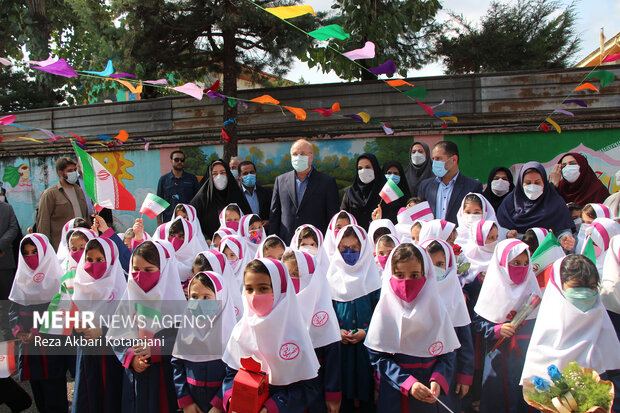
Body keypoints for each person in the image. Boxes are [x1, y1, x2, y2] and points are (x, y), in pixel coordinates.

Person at [364, 243, 459, 413]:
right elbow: (378, 357)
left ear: (426, 275)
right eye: (400, 275)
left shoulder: (437, 310)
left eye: (415, 275)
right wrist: (408, 383)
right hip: (397, 395)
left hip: (430, 394)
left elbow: (448, 353)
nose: (407, 282)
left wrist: (438, 379)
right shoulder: (385, 312)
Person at [521, 255, 620, 411]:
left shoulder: (605, 331)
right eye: (577, 286)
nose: (586, 293)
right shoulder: (544, 342)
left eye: (592, 286)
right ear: (559, 288)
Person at [221, 258, 321, 412]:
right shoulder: (240, 332)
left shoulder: (295, 334)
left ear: (280, 290)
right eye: (249, 289)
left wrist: (273, 407)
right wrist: (232, 399)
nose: (255, 296)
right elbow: (230, 375)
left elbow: (308, 388)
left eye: (263, 288)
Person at [107, 240, 185, 413]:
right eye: (135, 269)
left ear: (164, 271)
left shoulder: (175, 303)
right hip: (136, 378)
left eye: (148, 270)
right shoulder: (129, 298)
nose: (140, 275)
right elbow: (117, 336)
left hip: (165, 378)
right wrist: (131, 358)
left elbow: (184, 340)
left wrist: (156, 348)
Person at [473, 239, 541, 413]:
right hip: (499, 356)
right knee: (498, 396)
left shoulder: (532, 287)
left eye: (526, 263)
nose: (521, 267)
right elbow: (478, 322)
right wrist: (496, 329)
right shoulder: (492, 288)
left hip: (526, 354)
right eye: (516, 263)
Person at [9, 234, 71, 413]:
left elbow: (62, 312)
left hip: (51, 348)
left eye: (35, 252)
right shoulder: (21, 277)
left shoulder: (57, 279)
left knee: (55, 393)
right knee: (39, 393)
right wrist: (18, 330)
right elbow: (14, 308)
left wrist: (37, 332)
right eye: (26, 253)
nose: (30, 257)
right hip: (29, 349)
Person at [326, 225, 381, 412]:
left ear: (363, 248)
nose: (349, 252)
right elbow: (325, 312)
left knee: (367, 395)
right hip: (340, 350)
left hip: (368, 349)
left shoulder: (374, 279)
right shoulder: (329, 280)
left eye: (355, 248)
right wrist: (335, 331)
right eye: (344, 248)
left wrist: (367, 332)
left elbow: (382, 314)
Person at [282, 250, 342, 413]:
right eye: (289, 275)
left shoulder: (324, 313)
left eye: (297, 274)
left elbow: (333, 361)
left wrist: (333, 395)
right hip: (287, 393)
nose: (292, 280)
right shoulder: (280, 308)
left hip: (317, 390)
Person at [71, 237, 127, 413]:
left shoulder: (122, 287)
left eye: (100, 260)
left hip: (113, 357)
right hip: (87, 357)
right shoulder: (78, 284)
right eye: (89, 260)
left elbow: (129, 324)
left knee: (111, 399)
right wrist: (75, 326)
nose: (93, 264)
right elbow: (61, 322)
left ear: (110, 260)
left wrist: (102, 330)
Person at [420, 239, 474, 413]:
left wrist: (465, 376)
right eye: (429, 262)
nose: (435, 268)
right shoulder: (416, 293)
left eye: (440, 264)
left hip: (450, 369)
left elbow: (465, 338)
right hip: (421, 368)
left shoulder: (455, 295)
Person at [171, 272, 236, 413]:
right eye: (194, 297)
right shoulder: (186, 329)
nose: (199, 302)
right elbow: (177, 366)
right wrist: (186, 401)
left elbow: (235, 373)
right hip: (192, 406)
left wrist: (219, 404)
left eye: (206, 297)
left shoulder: (233, 335)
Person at [269, 139, 339, 244]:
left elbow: (332, 215)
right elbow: (275, 215)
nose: (298, 157)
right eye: (295, 154)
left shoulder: (326, 182)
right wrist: (272, 241)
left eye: (302, 154)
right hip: (287, 242)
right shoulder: (281, 181)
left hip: (316, 242)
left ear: (311, 156)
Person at [497, 161, 576, 250]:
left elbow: (563, 230)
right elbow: (499, 228)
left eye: (537, 182)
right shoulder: (509, 203)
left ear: (544, 183)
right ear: (521, 183)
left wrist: (565, 238)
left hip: (549, 254)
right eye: (528, 182)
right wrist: (507, 233)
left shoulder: (555, 202)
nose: (532, 186)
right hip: (517, 255)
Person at [417, 141, 483, 224]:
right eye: (433, 159)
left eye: (438, 158)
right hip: (431, 235)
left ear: (454, 159)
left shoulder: (473, 187)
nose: (434, 163)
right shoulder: (426, 186)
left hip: (458, 235)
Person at [190, 159, 252, 241]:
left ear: (228, 174)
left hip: (237, 245)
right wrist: (205, 239)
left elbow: (248, 221)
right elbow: (192, 223)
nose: (219, 177)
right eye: (215, 174)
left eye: (222, 173)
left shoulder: (236, 195)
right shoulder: (202, 197)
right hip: (209, 247)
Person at [36, 157, 90, 249]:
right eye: (69, 171)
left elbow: (85, 216)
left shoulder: (79, 190)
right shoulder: (50, 194)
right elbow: (43, 223)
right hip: (60, 246)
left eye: (74, 170)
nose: (73, 173)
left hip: (81, 245)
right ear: (60, 173)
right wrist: (44, 247)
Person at [340, 154, 386, 231]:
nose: (363, 171)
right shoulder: (350, 193)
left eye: (367, 167)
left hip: (380, 239)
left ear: (375, 168)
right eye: (360, 168)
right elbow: (342, 218)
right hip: (354, 239)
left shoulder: (385, 191)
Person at [156, 150, 200, 225]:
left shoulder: (192, 179)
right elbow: (159, 202)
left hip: (188, 220)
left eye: (182, 160)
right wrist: (159, 222)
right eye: (176, 160)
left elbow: (198, 200)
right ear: (171, 161)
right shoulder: (163, 180)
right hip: (169, 221)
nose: (179, 162)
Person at [0, 201, 19, 339]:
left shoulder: (7, 208)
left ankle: (8, 332)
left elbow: (13, 229)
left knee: (6, 301)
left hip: (5, 262)